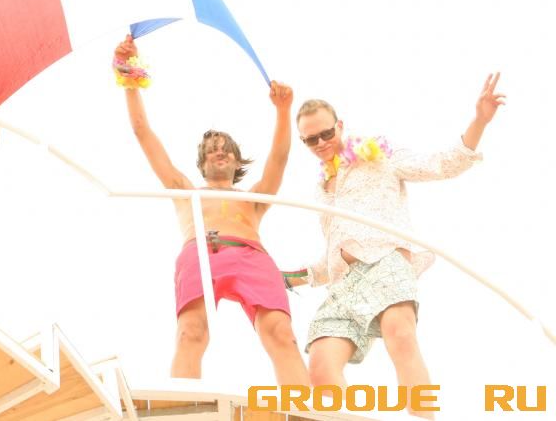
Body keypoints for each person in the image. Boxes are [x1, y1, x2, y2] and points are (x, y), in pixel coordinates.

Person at [290, 73, 505, 418]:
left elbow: (440, 164)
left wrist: (479, 120)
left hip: (386, 261)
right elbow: (328, 259)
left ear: (340, 126)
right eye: (310, 139)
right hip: (345, 283)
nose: (321, 143)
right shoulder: (322, 188)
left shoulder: (378, 156)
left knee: (401, 335)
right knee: (321, 365)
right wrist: (288, 277)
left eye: (326, 133)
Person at [115, 35, 309, 385]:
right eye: (212, 149)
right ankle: (186, 405)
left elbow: (279, 159)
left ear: (237, 161)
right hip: (201, 252)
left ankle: (302, 407)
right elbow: (143, 133)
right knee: (190, 332)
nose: (220, 152)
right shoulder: (185, 191)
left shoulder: (254, 197)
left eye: (226, 149)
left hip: (251, 255)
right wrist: (129, 75)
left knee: (282, 333)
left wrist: (283, 111)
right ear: (202, 163)